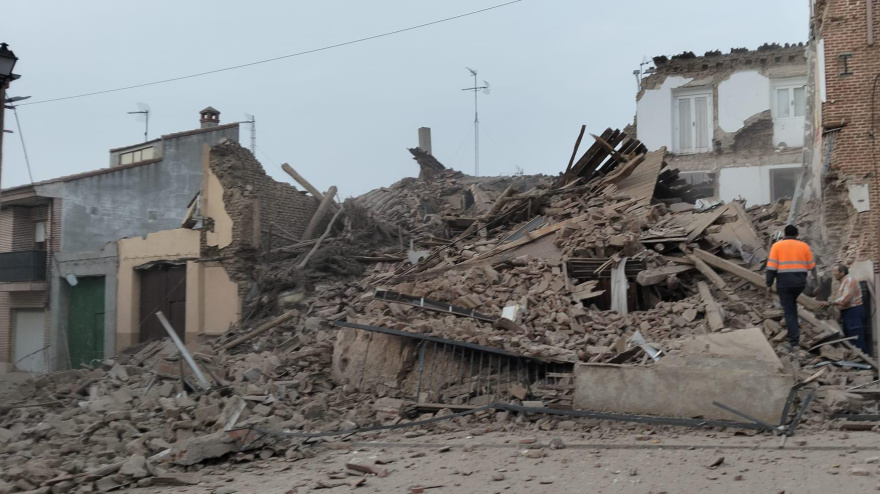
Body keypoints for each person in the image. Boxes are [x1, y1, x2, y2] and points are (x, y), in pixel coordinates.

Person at [766, 225, 816, 350]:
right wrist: (815, 283)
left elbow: (771, 268)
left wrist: (768, 284)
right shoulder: (804, 246)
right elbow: (812, 267)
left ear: (784, 234)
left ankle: (794, 340)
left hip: (784, 284)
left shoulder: (776, 246)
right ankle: (795, 329)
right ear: (796, 235)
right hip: (800, 284)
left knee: (788, 310)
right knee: (792, 305)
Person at [821, 264, 868, 353]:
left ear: (842, 273)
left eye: (835, 271)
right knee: (850, 338)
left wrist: (830, 303)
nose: (833, 273)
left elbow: (846, 298)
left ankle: (865, 362)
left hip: (854, 311)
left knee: (856, 337)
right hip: (847, 312)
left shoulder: (849, 280)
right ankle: (857, 362)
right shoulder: (842, 282)